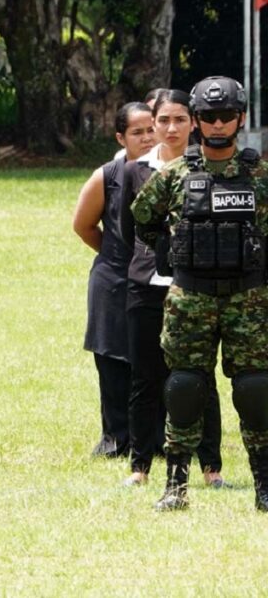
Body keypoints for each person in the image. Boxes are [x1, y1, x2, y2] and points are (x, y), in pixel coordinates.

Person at [132, 76, 268, 511]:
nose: (217, 124)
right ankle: (175, 486)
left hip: (249, 299)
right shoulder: (174, 176)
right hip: (190, 299)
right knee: (185, 387)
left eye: (226, 115)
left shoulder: (261, 176)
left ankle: (264, 485)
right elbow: (143, 221)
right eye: (208, 116)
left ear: (240, 118)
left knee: (255, 390)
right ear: (196, 121)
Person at [119, 89, 225, 488]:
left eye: (180, 119)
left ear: (193, 122)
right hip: (146, 286)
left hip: (198, 286)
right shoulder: (134, 171)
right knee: (145, 378)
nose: (171, 128)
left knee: (200, 377)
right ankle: (140, 466)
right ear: (153, 123)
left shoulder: (211, 167)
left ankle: (211, 468)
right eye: (163, 120)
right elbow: (130, 231)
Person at [72, 102, 154, 458]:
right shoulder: (107, 175)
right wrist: (119, 256)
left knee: (154, 359)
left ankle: (156, 438)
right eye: (138, 132)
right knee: (114, 359)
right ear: (121, 137)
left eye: (151, 129)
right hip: (114, 278)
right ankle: (116, 438)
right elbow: (83, 225)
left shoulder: (173, 171)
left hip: (159, 278)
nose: (148, 137)